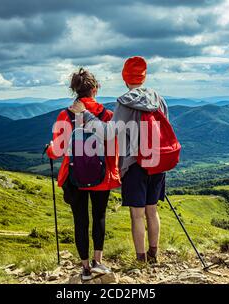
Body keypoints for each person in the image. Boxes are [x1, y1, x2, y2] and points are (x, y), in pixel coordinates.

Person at [69, 56, 169, 263]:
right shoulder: (158, 98)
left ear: (125, 78)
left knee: (137, 214)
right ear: (144, 77)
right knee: (153, 210)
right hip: (157, 162)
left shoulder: (124, 102)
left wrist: (86, 115)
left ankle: (141, 260)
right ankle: (154, 255)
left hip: (134, 164)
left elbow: (108, 133)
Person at [46, 68, 121, 280]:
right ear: (95, 89)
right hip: (101, 175)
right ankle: (98, 262)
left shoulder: (64, 115)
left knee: (80, 221)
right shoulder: (107, 116)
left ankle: (85, 268)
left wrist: (50, 148)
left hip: (75, 177)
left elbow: (58, 151)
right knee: (99, 217)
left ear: (74, 90)